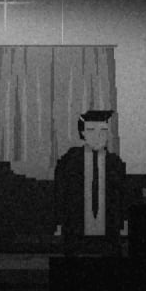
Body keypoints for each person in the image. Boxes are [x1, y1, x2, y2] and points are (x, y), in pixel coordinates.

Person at [54, 109, 126, 257]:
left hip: (108, 234)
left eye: (103, 130)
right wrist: (59, 222)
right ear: (83, 133)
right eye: (91, 130)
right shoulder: (70, 161)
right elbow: (60, 194)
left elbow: (122, 197)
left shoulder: (114, 163)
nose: (98, 135)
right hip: (76, 232)